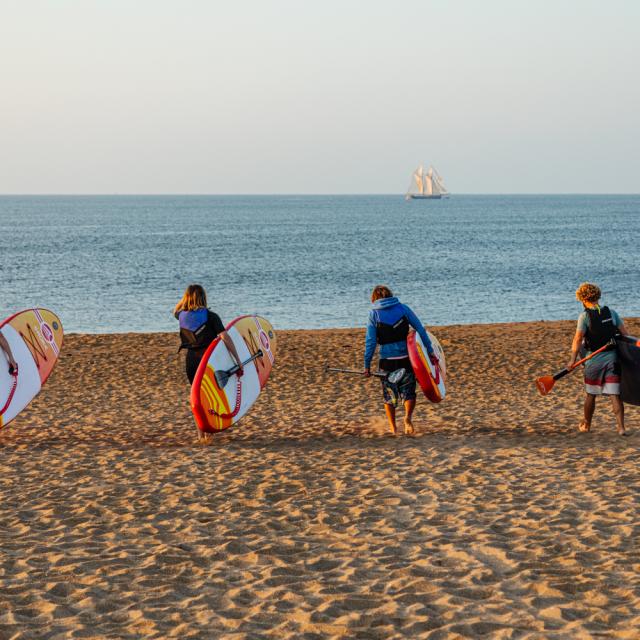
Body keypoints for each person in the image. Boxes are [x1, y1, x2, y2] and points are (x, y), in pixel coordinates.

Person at [364, 285, 439, 435]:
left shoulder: (374, 314)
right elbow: (420, 329)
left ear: (374, 298)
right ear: (390, 295)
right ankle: (407, 418)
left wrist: (367, 365)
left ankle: (393, 427)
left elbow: (371, 342)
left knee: (389, 395)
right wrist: (430, 351)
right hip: (407, 359)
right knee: (409, 392)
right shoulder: (403, 308)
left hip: (387, 361)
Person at [568, 282, 629, 436]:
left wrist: (572, 360)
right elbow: (625, 335)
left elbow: (577, 339)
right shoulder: (612, 313)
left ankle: (586, 425)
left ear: (582, 299)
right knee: (614, 394)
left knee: (591, 394)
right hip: (612, 359)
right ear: (598, 296)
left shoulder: (584, 316)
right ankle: (621, 428)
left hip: (593, 361)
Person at [174, 284, 243, 384]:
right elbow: (225, 337)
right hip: (208, 359)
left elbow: (175, 310)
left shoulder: (181, 315)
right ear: (203, 297)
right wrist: (238, 359)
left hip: (191, 361)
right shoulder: (211, 316)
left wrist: (186, 300)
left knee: (197, 392)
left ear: (186, 298)